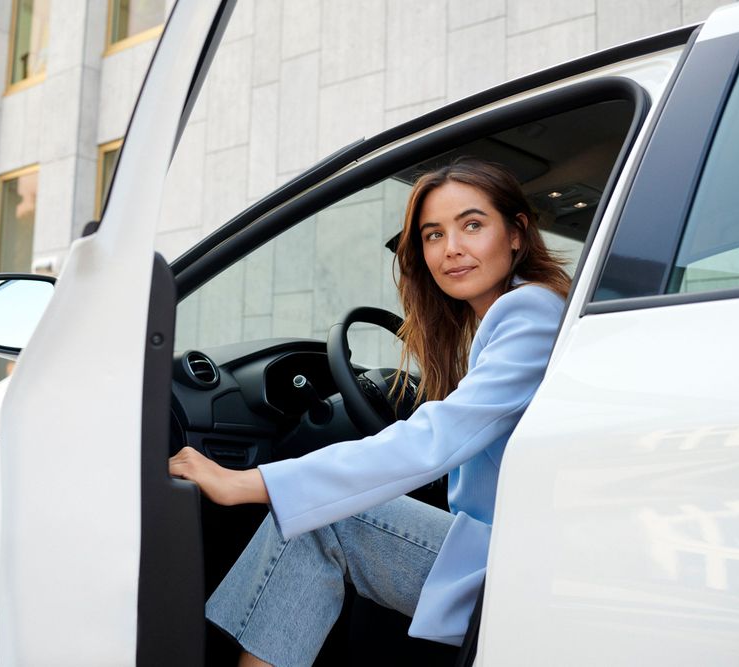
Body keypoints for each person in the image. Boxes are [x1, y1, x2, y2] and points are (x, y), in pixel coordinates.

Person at [169, 158, 572, 666]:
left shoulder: (529, 311)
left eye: (472, 225)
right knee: (322, 514)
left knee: (324, 519)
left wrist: (252, 481)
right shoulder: (505, 319)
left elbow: (433, 439)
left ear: (516, 235)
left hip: (518, 567)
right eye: (432, 235)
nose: (451, 249)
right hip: (512, 555)